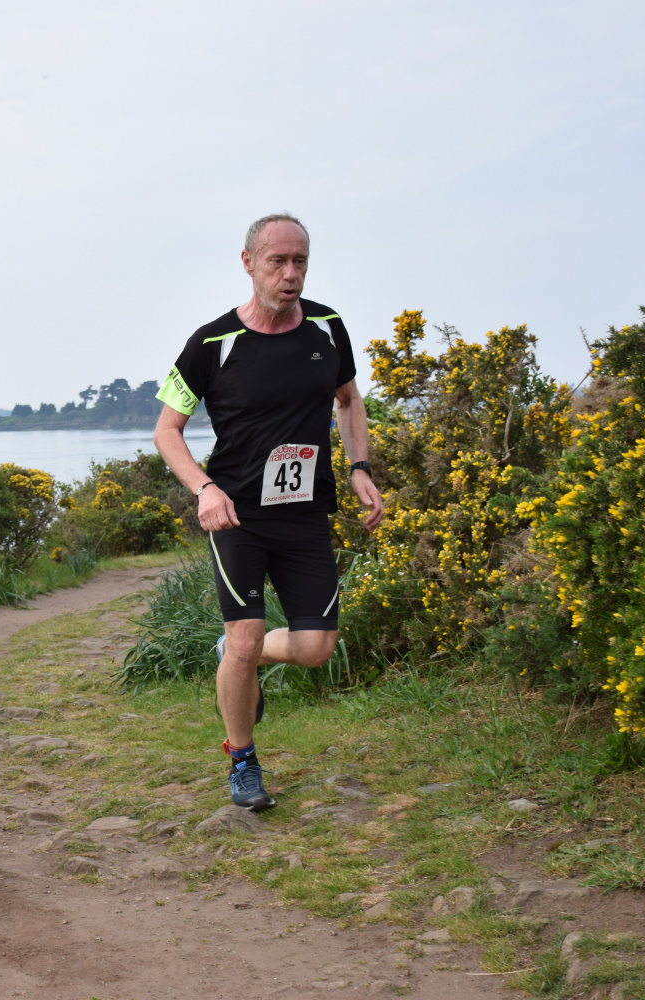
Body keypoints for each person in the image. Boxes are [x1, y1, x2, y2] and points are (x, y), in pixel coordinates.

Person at [153, 214, 384, 812]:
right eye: (277, 261)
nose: (290, 274)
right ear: (248, 263)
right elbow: (167, 430)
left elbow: (349, 399)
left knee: (315, 648)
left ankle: (235, 655)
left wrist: (359, 467)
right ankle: (243, 760)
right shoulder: (211, 343)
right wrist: (204, 489)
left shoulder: (328, 327)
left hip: (305, 513)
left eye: (299, 261)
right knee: (246, 635)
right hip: (237, 516)